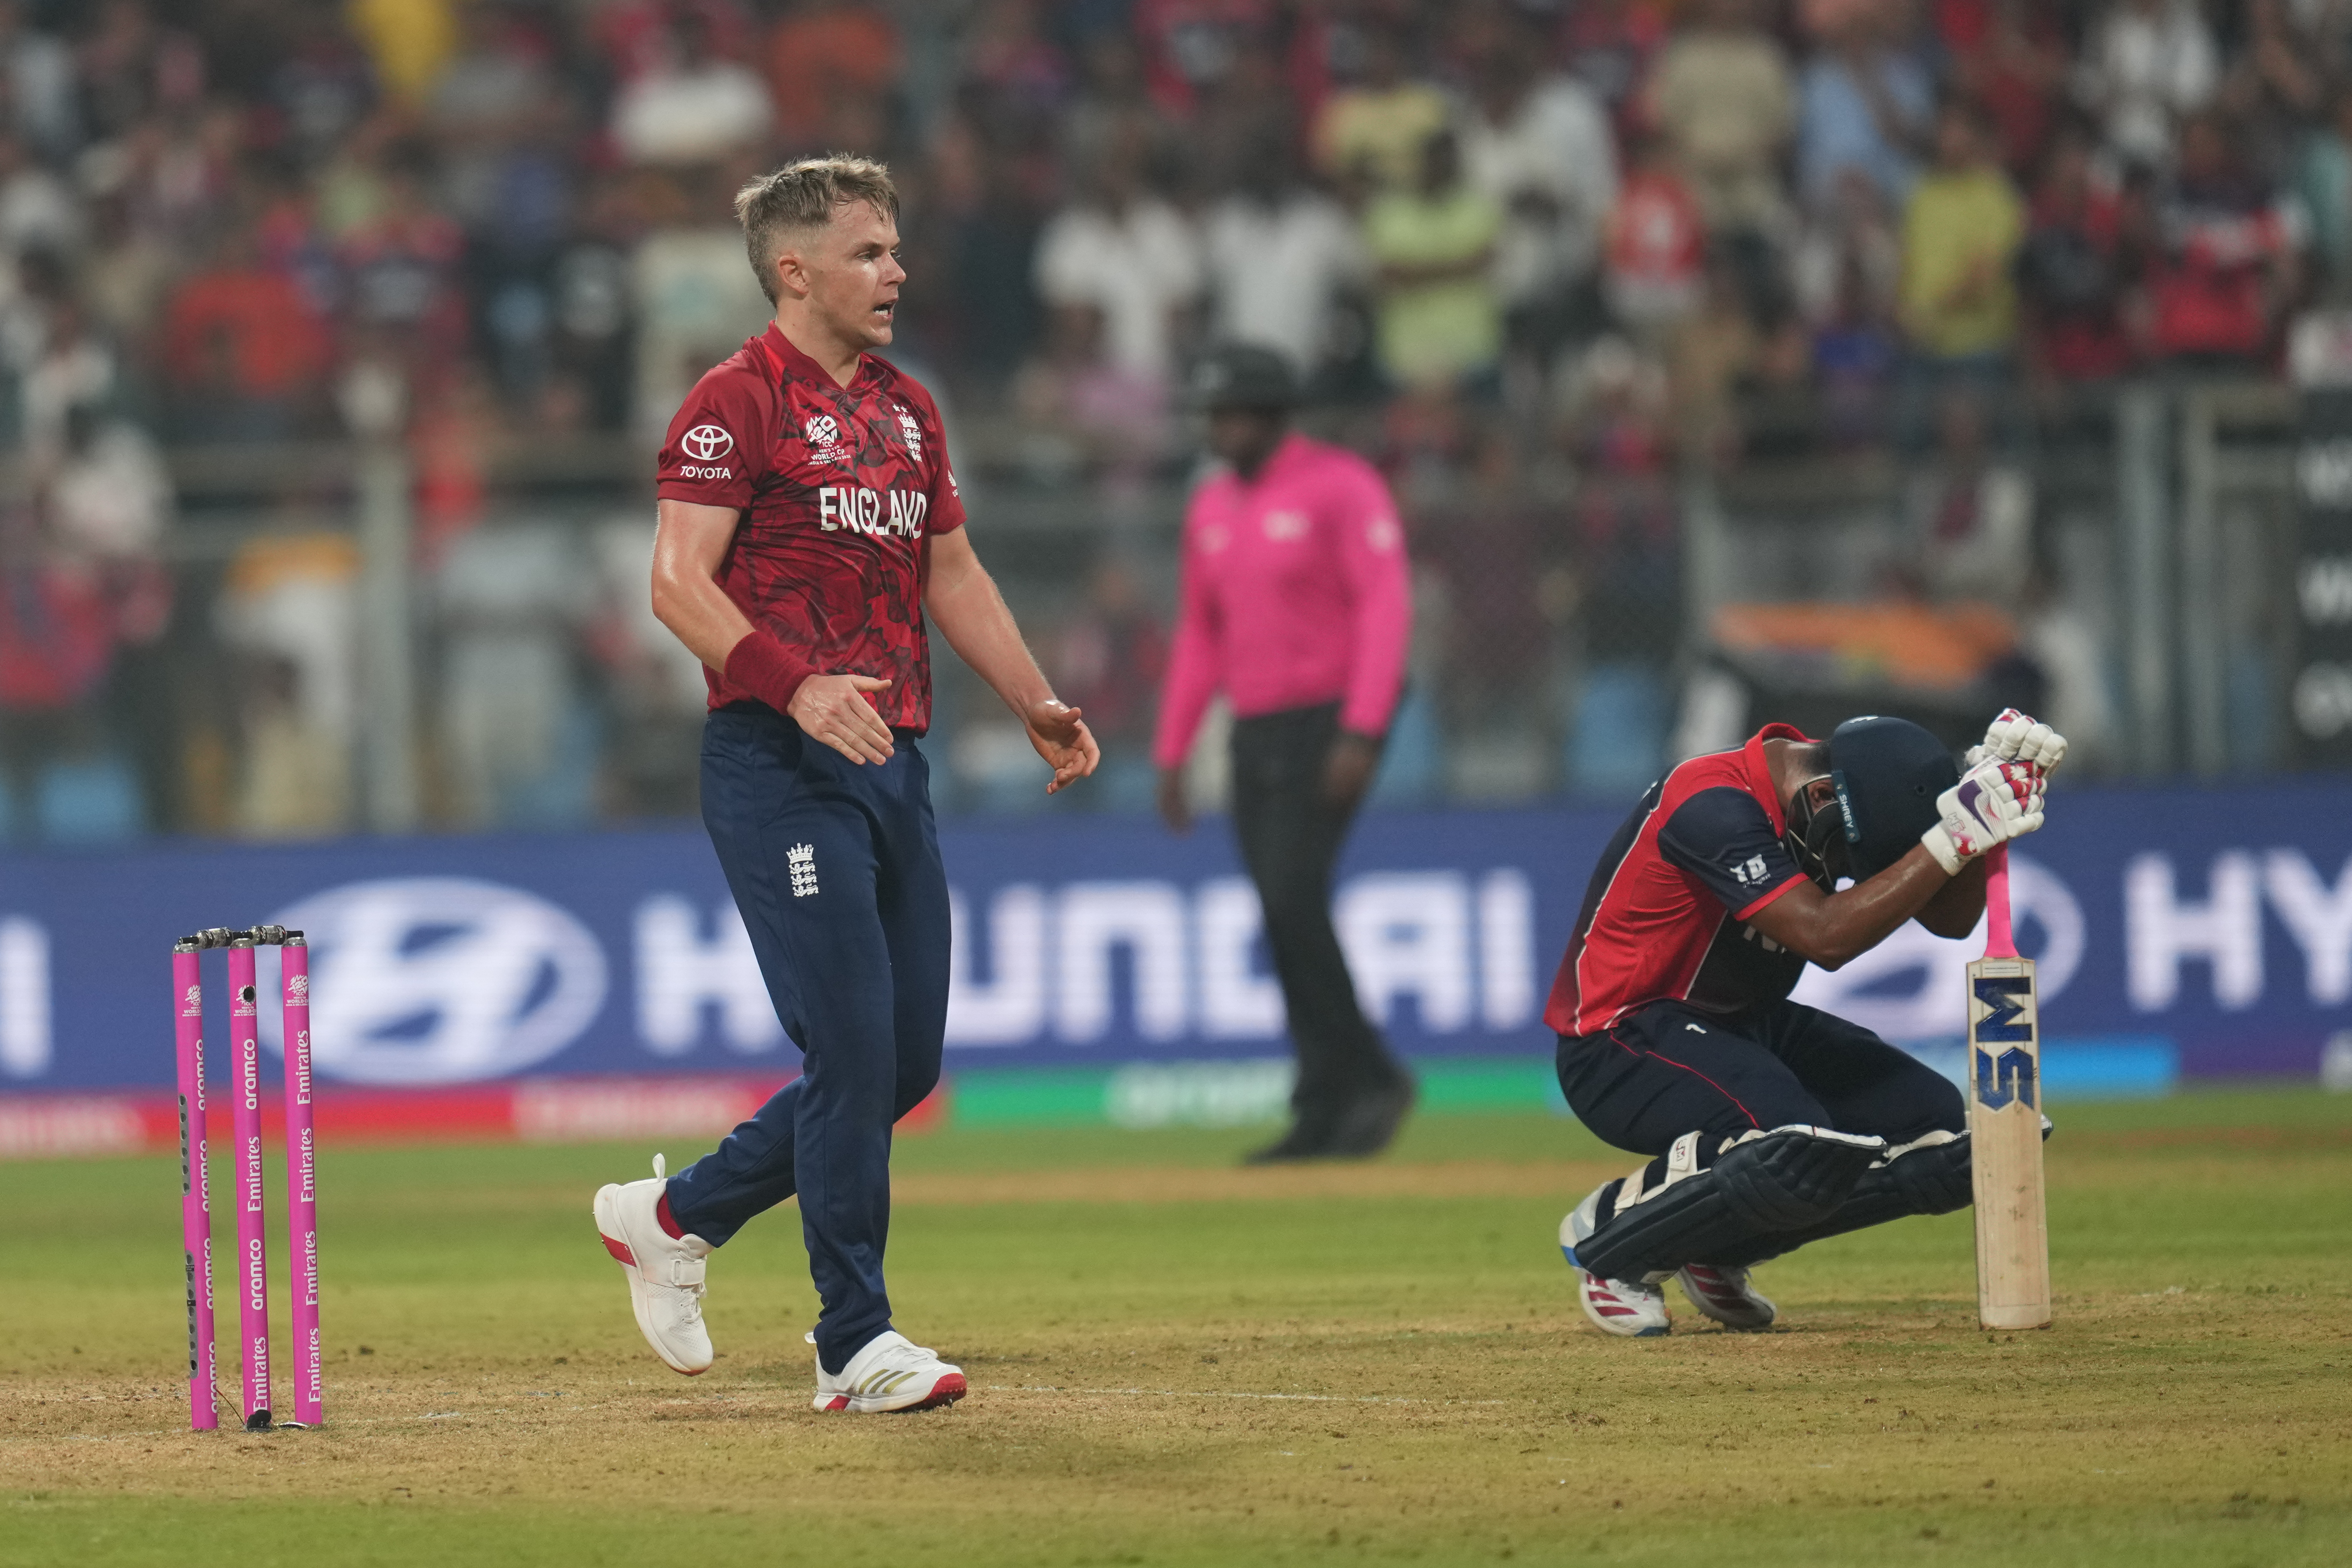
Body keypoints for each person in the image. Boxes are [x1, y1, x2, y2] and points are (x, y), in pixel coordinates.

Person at [592, 156, 1099, 1414]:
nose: (897, 272)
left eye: (895, 248)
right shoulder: (732, 401)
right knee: (854, 1047)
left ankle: (672, 1215)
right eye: (870, 252)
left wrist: (1031, 696)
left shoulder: (909, 409)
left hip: (890, 764)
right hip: (779, 766)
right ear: (793, 271)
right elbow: (676, 583)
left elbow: (955, 573)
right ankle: (853, 1340)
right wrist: (793, 682)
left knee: (901, 1064)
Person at [1550, 709, 2064, 1336]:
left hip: (1748, 1026)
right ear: (1821, 796)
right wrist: (1950, 840)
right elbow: (1822, 935)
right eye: (1851, 857)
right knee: (1794, 1140)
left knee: (1949, 1141)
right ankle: (1614, 1242)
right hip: (1620, 1041)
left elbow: (1949, 921)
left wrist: (1982, 820)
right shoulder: (1710, 803)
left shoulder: (1835, 800)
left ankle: (1718, 1247)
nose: (1850, 868)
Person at [1152, 344, 1414, 1163]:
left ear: (1271, 415)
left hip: (1327, 721)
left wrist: (1363, 728)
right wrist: (1172, 748)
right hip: (1253, 726)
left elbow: (1384, 606)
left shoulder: (1340, 486)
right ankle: (1326, 1096)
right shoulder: (1211, 507)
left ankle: (1367, 1079)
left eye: (1232, 414)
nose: (1219, 430)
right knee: (1278, 908)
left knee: (1293, 895)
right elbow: (1202, 631)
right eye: (1212, 416)